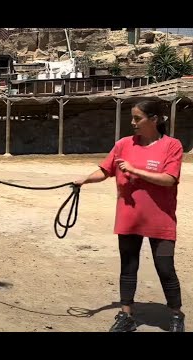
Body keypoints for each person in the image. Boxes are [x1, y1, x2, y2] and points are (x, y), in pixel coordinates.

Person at [74, 99, 185, 332]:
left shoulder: (172, 145)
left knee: (165, 268)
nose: (132, 122)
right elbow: (105, 170)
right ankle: (126, 315)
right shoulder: (123, 144)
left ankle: (176, 314)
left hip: (160, 219)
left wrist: (135, 170)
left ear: (154, 120)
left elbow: (169, 179)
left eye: (137, 118)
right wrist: (83, 179)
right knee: (128, 267)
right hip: (129, 217)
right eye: (132, 118)